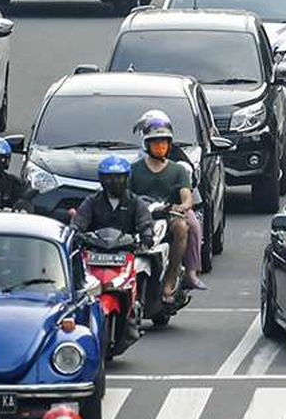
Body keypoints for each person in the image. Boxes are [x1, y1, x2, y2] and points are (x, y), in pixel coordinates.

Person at [72, 155, 154, 342]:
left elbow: (144, 222)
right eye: (109, 178)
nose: (114, 182)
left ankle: (135, 310)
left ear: (127, 179)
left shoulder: (135, 202)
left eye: (119, 178)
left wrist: (146, 236)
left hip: (125, 253)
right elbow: (78, 223)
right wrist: (76, 233)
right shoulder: (92, 201)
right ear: (102, 180)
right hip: (95, 253)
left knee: (145, 267)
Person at [129, 111, 195, 301]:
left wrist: (182, 206)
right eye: (156, 143)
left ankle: (171, 277)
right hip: (141, 217)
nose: (160, 147)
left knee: (182, 228)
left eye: (164, 143)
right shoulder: (135, 169)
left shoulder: (178, 170)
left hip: (166, 216)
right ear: (147, 145)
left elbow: (186, 196)